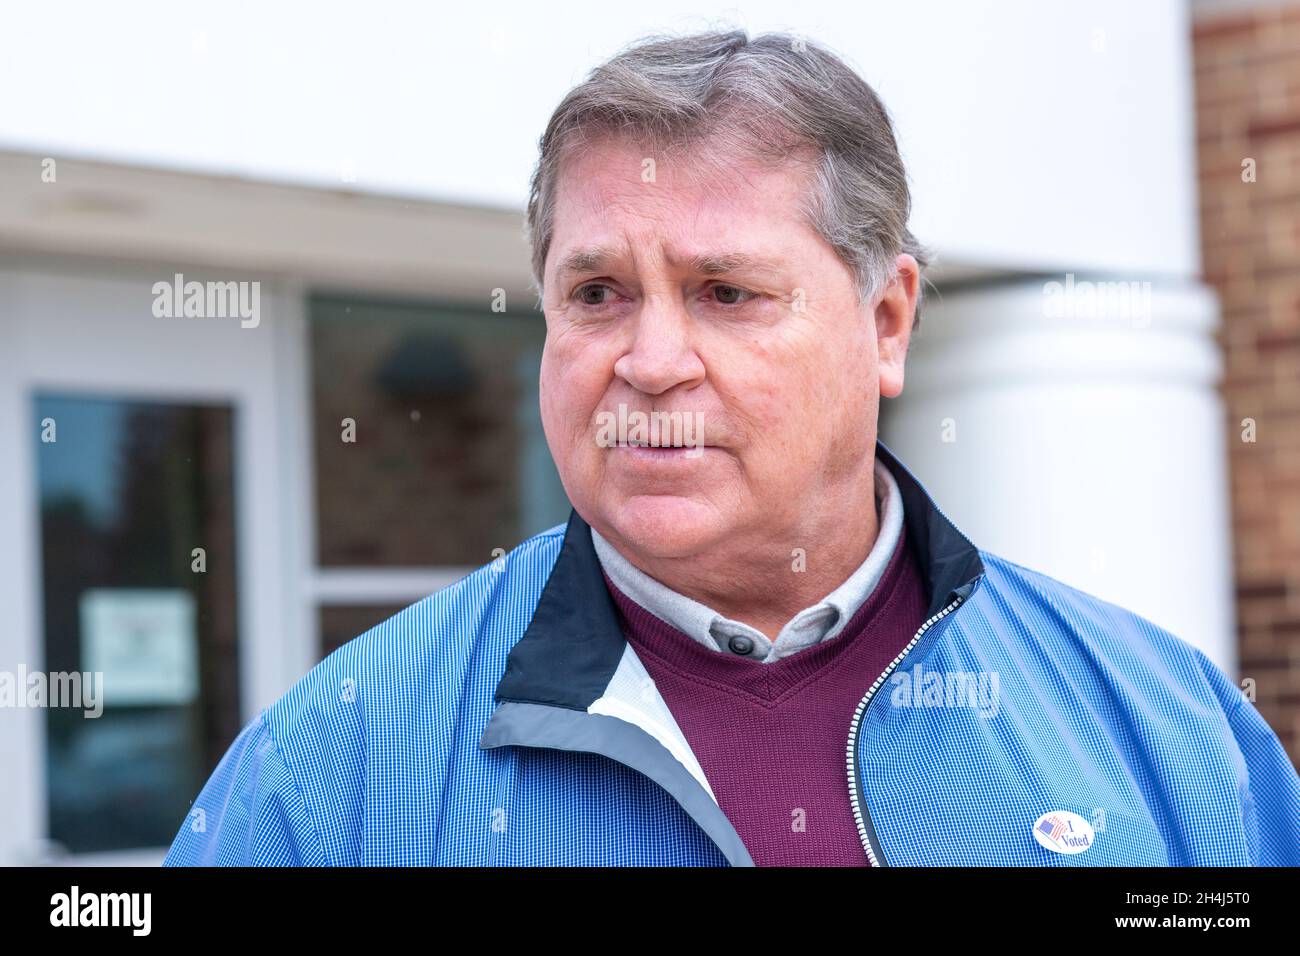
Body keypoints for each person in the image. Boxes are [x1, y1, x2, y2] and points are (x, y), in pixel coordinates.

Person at [164, 29, 1299, 867]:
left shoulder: (1165, 726)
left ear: (886, 321)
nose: (650, 359)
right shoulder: (338, 767)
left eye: (725, 292)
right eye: (598, 291)